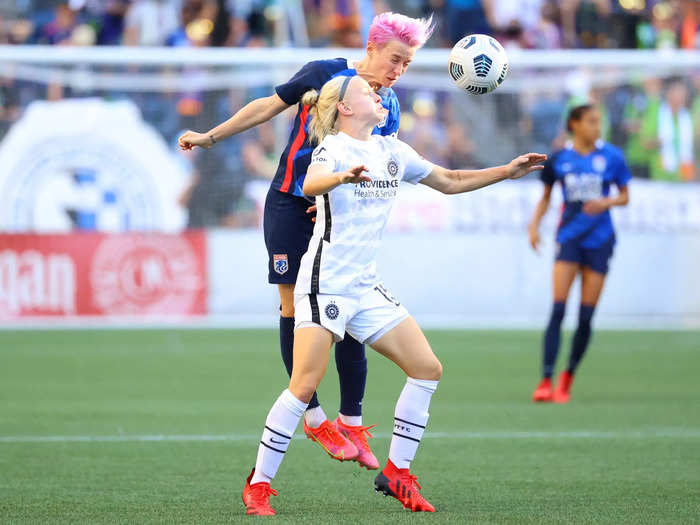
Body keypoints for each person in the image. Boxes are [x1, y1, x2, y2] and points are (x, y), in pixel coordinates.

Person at [241, 74, 546, 516]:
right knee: (304, 384)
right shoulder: (334, 147)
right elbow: (309, 183)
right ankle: (259, 485)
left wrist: (506, 171)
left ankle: (397, 473)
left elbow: (452, 179)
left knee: (427, 368)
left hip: (364, 286)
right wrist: (340, 177)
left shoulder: (393, 152)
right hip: (325, 280)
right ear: (345, 108)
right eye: (367, 91)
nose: (378, 93)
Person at [178, 12, 433, 470]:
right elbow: (267, 106)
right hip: (290, 203)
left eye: (407, 64)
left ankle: (351, 420)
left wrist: (343, 197)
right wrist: (210, 137)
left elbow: (377, 159)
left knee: (350, 308)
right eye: (395, 59)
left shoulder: (388, 106)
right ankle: (314, 418)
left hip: (333, 210)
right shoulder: (324, 73)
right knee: (293, 307)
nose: (398, 71)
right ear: (371, 48)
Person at [529, 104, 630, 404]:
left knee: (586, 316)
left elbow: (625, 196)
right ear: (574, 124)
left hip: (600, 241)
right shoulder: (560, 159)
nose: (596, 126)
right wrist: (535, 226)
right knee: (558, 309)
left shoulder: (611, 157)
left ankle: (567, 378)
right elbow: (546, 198)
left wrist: (606, 203)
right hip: (569, 240)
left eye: (598, 121)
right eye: (590, 121)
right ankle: (546, 379)